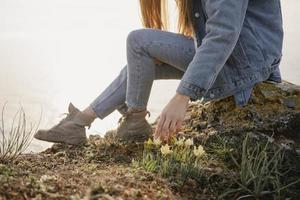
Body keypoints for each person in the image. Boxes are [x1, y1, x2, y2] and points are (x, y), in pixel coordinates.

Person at [34, 0, 283, 145]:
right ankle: (80, 122)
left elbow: (223, 34)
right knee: (140, 61)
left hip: (240, 65)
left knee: (138, 41)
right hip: (241, 60)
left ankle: (134, 123)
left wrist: (182, 96)